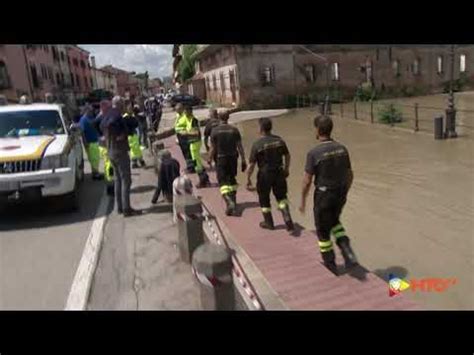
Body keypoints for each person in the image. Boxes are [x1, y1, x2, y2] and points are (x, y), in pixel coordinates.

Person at [299, 115, 358, 275]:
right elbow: (350, 174)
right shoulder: (342, 148)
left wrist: (303, 200)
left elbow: (307, 181)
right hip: (340, 194)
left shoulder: (314, 153)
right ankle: (347, 251)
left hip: (324, 196)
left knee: (323, 231)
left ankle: (330, 264)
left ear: (318, 130)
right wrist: (346, 191)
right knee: (334, 221)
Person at [246, 117, 294, 231]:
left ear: (261, 129)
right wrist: (287, 169)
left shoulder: (257, 144)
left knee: (264, 198)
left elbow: (251, 165)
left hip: (264, 175)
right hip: (279, 172)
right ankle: (287, 217)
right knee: (282, 197)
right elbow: (287, 155)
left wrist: (248, 179)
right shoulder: (279, 140)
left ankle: (269, 223)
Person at [101, 96, 141, 217]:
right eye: (123, 104)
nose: (124, 107)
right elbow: (120, 126)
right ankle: (126, 209)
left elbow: (99, 125)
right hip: (119, 152)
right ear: (119, 105)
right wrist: (120, 134)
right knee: (126, 180)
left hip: (111, 151)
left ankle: (119, 207)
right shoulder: (117, 116)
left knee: (118, 180)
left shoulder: (106, 114)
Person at [208, 111, 247, 216]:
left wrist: (209, 158)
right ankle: (233, 202)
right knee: (232, 179)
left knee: (222, 181)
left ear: (219, 118)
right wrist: (243, 160)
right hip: (233, 158)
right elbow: (240, 146)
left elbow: (213, 148)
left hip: (221, 159)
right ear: (228, 117)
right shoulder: (234, 130)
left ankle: (229, 202)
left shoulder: (215, 131)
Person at [182, 105, 210, 188]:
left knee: (197, 163)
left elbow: (196, 133)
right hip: (192, 143)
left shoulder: (193, 120)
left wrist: (185, 133)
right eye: (184, 112)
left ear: (190, 111)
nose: (185, 113)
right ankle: (205, 179)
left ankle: (203, 180)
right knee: (197, 163)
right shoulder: (188, 120)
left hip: (195, 143)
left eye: (186, 112)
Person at [79, 105, 103, 180]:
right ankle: (95, 174)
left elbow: (94, 123)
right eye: (90, 110)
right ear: (86, 110)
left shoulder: (90, 118)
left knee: (95, 158)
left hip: (94, 141)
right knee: (94, 158)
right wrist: (85, 142)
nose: (91, 112)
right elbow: (82, 132)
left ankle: (95, 172)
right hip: (90, 142)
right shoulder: (83, 119)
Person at [96, 100, 115, 195]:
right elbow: (96, 127)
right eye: (108, 107)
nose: (109, 109)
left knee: (109, 165)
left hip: (105, 145)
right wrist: (101, 136)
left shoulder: (101, 117)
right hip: (104, 146)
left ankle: (111, 185)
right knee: (109, 166)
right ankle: (110, 187)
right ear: (103, 107)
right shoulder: (100, 118)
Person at [123, 100, 145, 168]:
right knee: (134, 148)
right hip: (131, 135)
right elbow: (134, 124)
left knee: (136, 148)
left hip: (134, 134)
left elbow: (136, 123)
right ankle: (135, 162)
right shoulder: (126, 117)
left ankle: (139, 160)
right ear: (126, 109)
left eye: (131, 107)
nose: (130, 109)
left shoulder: (131, 116)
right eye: (129, 108)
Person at [174, 103, 194, 172]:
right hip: (180, 136)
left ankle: (191, 168)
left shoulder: (185, 116)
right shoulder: (178, 115)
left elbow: (189, 126)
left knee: (188, 153)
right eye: (176, 110)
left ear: (182, 109)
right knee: (184, 152)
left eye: (178, 110)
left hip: (185, 136)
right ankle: (189, 166)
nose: (177, 111)